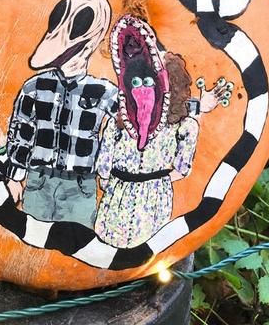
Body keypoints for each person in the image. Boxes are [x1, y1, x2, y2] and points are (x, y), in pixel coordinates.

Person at [94, 15, 231, 248]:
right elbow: (104, 166)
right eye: (136, 83)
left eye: (150, 82)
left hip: (153, 205)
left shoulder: (182, 127)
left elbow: (182, 167)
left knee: (150, 253)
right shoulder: (118, 124)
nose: (143, 90)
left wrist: (153, 183)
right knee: (110, 250)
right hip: (117, 206)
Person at [5, 0, 117, 227]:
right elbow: (22, 132)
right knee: (32, 241)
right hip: (38, 179)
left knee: (75, 242)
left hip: (80, 184)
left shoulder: (104, 92)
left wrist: (109, 171)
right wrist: (15, 176)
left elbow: (136, 122)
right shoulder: (34, 88)